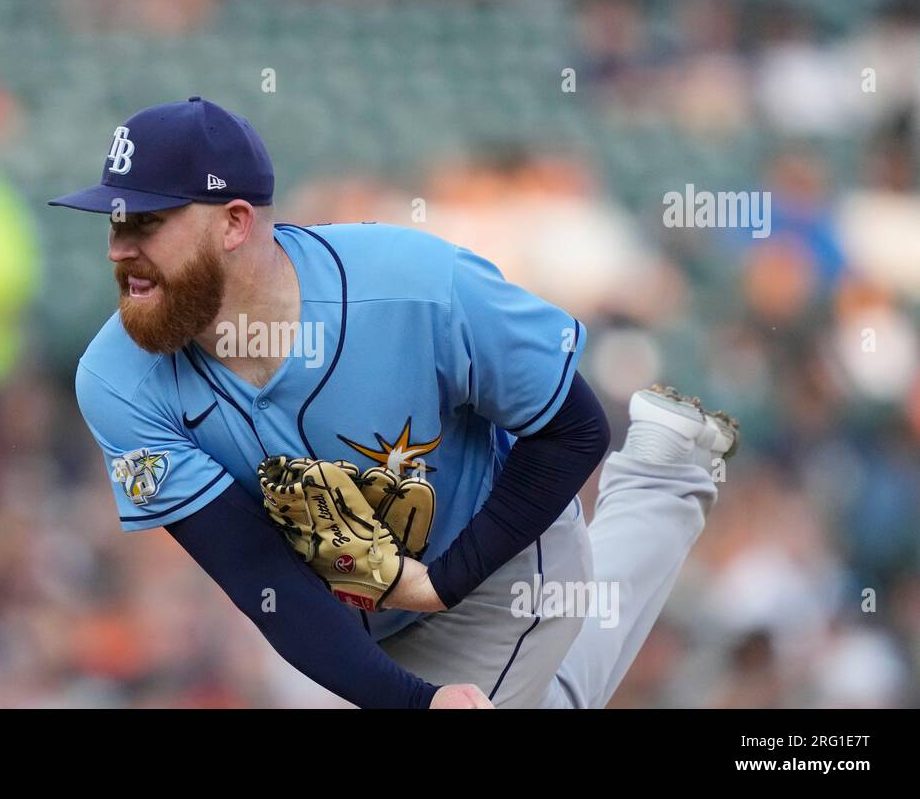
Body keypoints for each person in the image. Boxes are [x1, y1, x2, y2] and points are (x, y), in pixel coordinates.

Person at [49, 97, 737, 708]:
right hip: (361, 612)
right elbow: (265, 578)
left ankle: (660, 476)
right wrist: (414, 699)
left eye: (146, 222)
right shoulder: (116, 379)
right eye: (112, 223)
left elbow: (573, 429)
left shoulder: (415, 288)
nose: (119, 248)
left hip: (500, 560)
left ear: (233, 222)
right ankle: (663, 469)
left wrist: (443, 582)